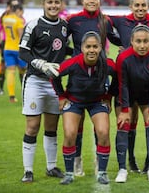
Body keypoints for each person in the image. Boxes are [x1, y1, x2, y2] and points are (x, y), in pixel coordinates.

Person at [108, 0, 149, 174]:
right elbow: (101, 19)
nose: (140, 9)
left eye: (143, 5)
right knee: (128, 121)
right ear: (131, 6)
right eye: (137, 5)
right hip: (125, 78)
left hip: (147, 79)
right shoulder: (121, 21)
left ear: (148, 6)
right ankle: (130, 161)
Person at [66, 0, 121, 177]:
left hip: (100, 78)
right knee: (77, 124)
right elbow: (61, 41)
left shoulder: (104, 21)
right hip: (78, 78)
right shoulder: (73, 21)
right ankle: (77, 161)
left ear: (99, 1)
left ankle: (100, 162)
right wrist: (71, 57)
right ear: (83, 0)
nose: (91, 1)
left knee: (102, 127)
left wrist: (129, 47)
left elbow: (116, 39)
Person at [51, 31, 116, 185]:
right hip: (74, 101)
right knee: (70, 133)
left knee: (103, 132)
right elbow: (54, 75)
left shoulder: (107, 64)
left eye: (95, 46)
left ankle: (102, 172)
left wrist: (108, 97)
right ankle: (69, 174)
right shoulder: (72, 62)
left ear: (101, 48)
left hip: (97, 102)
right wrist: (61, 96)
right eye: (88, 47)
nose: (91, 50)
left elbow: (119, 77)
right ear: (82, 48)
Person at [19, 0, 68, 182]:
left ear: (61, 4)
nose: (53, 5)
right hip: (35, 82)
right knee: (32, 126)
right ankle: (28, 170)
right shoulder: (34, 25)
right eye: (50, 2)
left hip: (54, 84)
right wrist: (38, 62)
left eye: (57, 2)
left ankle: (51, 167)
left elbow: (65, 49)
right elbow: (23, 51)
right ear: (43, 4)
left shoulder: (64, 27)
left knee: (52, 127)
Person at [114, 24, 149, 183]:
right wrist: (124, 109)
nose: (142, 45)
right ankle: (122, 169)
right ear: (131, 41)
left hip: (146, 95)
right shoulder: (123, 57)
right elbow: (122, 84)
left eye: (146, 41)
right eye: (138, 41)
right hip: (126, 94)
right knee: (123, 124)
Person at [0, 0, 20, 96]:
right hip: (6, 44)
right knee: (2, 67)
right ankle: (1, 88)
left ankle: (21, 91)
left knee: (21, 69)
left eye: (16, 6)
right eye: (13, 6)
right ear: (8, 6)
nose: (14, 8)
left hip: (17, 45)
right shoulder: (2, 17)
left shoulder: (19, 17)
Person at [2, 3, 27, 103]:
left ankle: (11, 97)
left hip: (7, 48)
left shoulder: (5, 19)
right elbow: (21, 37)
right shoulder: (19, 21)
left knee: (11, 72)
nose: (22, 15)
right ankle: (26, 94)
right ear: (18, 11)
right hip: (18, 49)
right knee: (24, 72)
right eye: (21, 12)